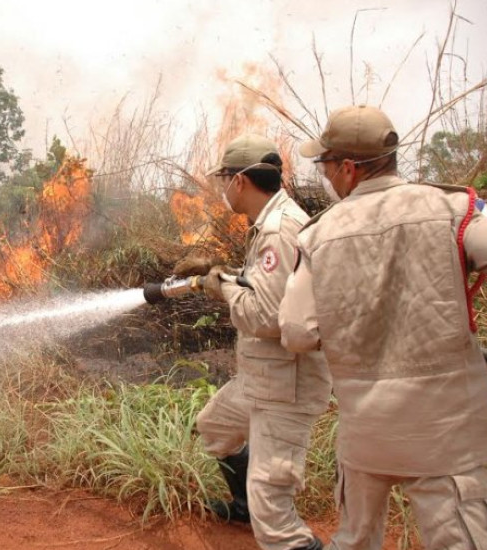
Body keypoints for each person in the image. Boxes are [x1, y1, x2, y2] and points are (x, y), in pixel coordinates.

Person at [279, 104, 487, 550]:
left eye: (327, 165)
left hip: (365, 437)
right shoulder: (455, 208)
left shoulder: (317, 236)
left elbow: (297, 333)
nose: (327, 176)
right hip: (445, 436)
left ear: (349, 168)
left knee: (354, 538)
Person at [176, 134, 331, 550]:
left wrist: (221, 286)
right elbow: (266, 288)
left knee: (273, 505)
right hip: (262, 376)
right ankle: (244, 505)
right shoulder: (268, 223)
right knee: (215, 426)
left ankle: (275, 524)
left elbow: (265, 316)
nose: (221, 188)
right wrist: (220, 275)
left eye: (223, 179)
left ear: (240, 180)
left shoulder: (279, 230)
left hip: (285, 386)